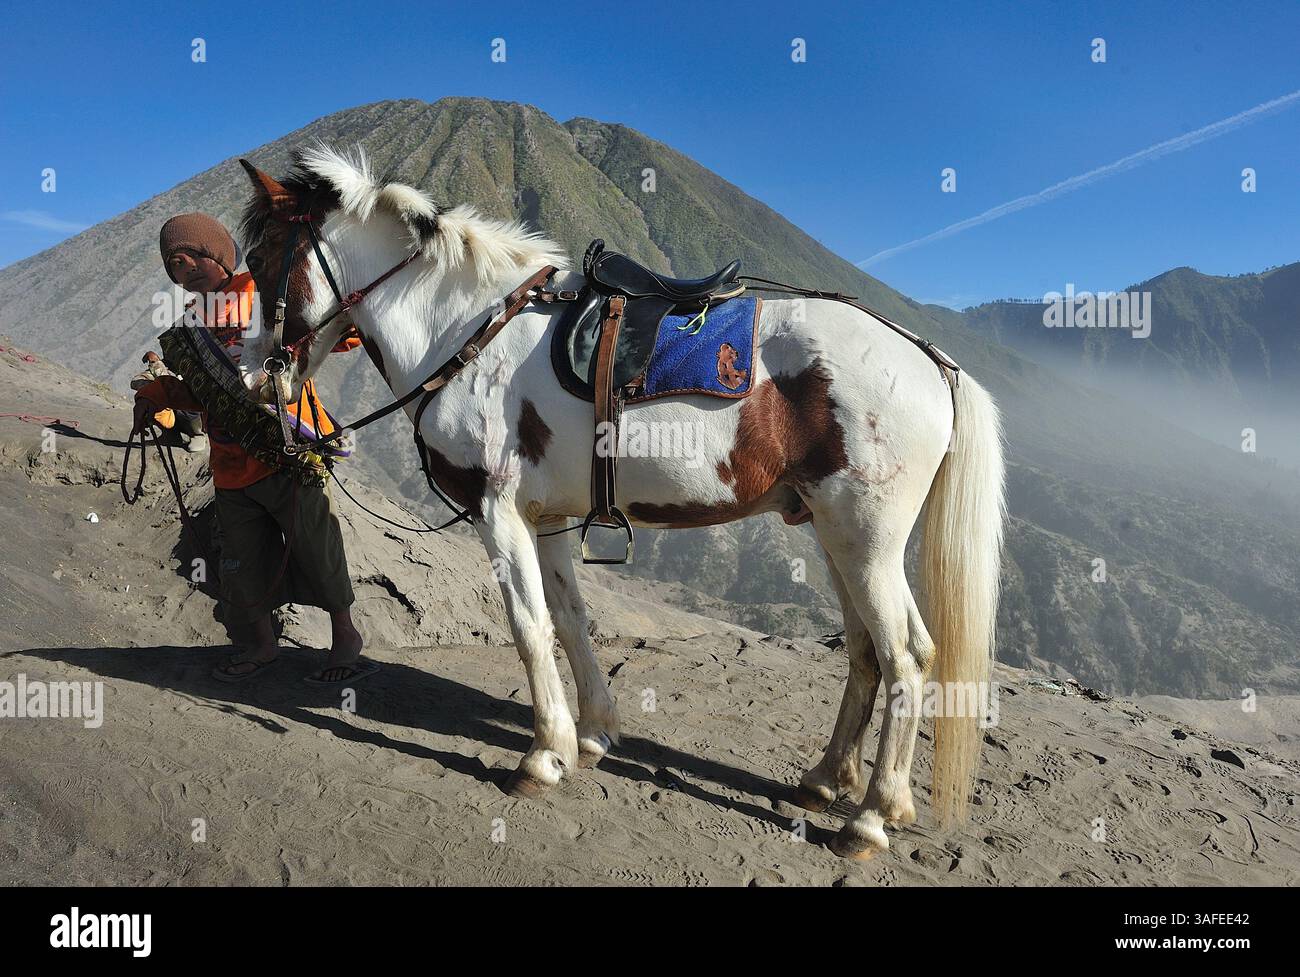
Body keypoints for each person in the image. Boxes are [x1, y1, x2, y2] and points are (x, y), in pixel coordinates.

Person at [133, 213, 373, 685]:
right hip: (229, 464)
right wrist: (156, 396)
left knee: (315, 549)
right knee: (241, 561)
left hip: (287, 452)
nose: (187, 270)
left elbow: (327, 334)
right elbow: (203, 393)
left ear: (220, 253)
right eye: (175, 265)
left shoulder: (268, 298)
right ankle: (262, 645)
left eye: (195, 257)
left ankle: (345, 637)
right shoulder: (189, 330)